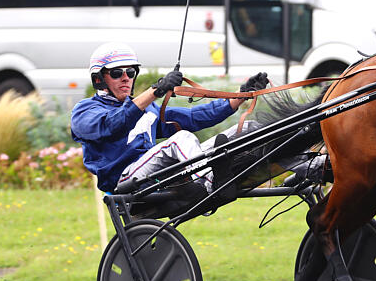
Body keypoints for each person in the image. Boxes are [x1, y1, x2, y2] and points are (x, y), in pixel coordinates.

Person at [71, 42, 269, 194]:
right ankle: (212, 184)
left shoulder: (148, 109)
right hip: (124, 181)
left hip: (157, 174)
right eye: (116, 73)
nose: (125, 78)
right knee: (181, 139)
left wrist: (241, 95)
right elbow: (113, 125)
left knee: (249, 129)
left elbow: (193, 117)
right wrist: (155, 91)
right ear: (98, 79)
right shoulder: (84, 111)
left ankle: (287, 167)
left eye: (130, 72)